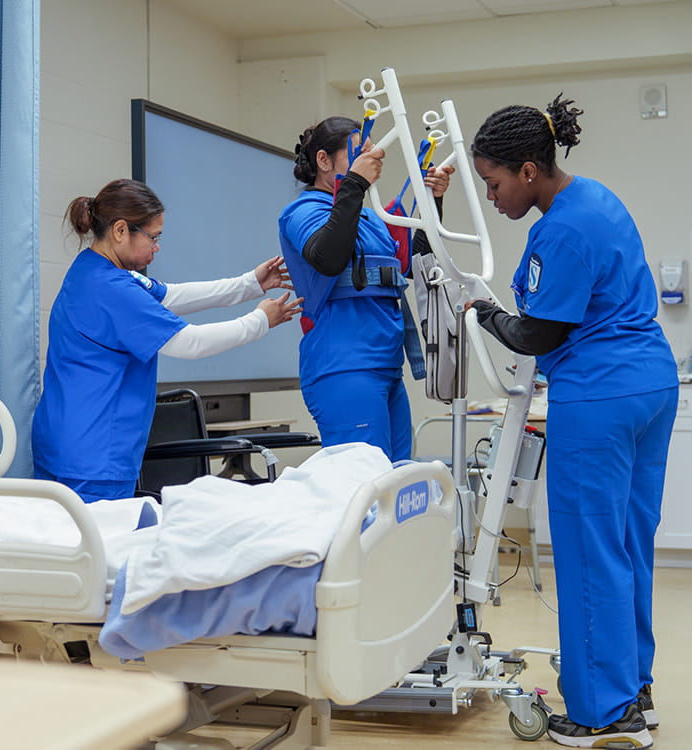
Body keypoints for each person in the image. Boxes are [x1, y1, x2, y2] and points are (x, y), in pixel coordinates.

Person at [469, 95, 677, 749]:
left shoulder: (559, 229)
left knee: (590, 553)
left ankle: (602, 713)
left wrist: (485, 314)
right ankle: (633, 689)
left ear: (528, 170)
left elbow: (537, 332)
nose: (493, 197)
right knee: (627, 543)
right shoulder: (598, 197)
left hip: (600, 394)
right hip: (652, 384)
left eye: (494, 183)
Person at [31, 178, 302, 504]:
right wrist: (260, 321)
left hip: (64, 440)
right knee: (101, 537)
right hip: (94, 454)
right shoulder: (113, 288)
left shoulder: (91, 269)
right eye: (153, 237)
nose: (157, 247)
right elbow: (190, 343)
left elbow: (173, 295)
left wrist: (249, 284)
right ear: (120, 230)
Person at [278, 116, 453, 461]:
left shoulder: (370, 217)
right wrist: (355, 184)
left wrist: (432, 200)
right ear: (323, 160)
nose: (374, 157)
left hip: (387, 365)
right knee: (363, 480)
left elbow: (412, 265)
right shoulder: (302, 212)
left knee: (397, 478)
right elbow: (328, 258)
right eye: (360, 151)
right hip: (344, 366)